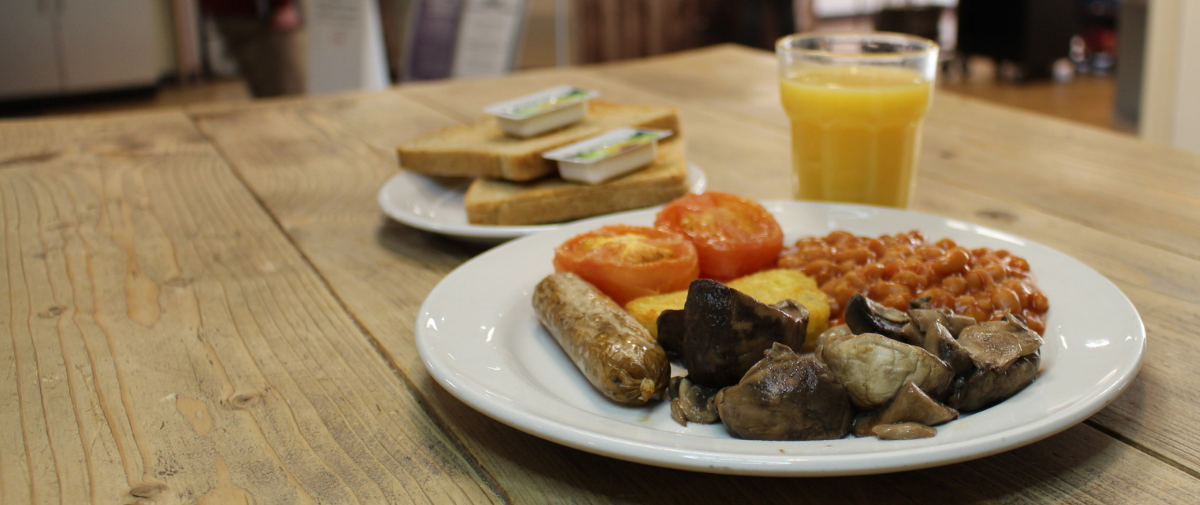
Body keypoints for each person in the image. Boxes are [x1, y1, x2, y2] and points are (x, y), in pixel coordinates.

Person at [200, 0, 306, 97]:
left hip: (236, 12)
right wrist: (281, 4)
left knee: (272, 89)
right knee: (284, 91)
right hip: (262, 15)